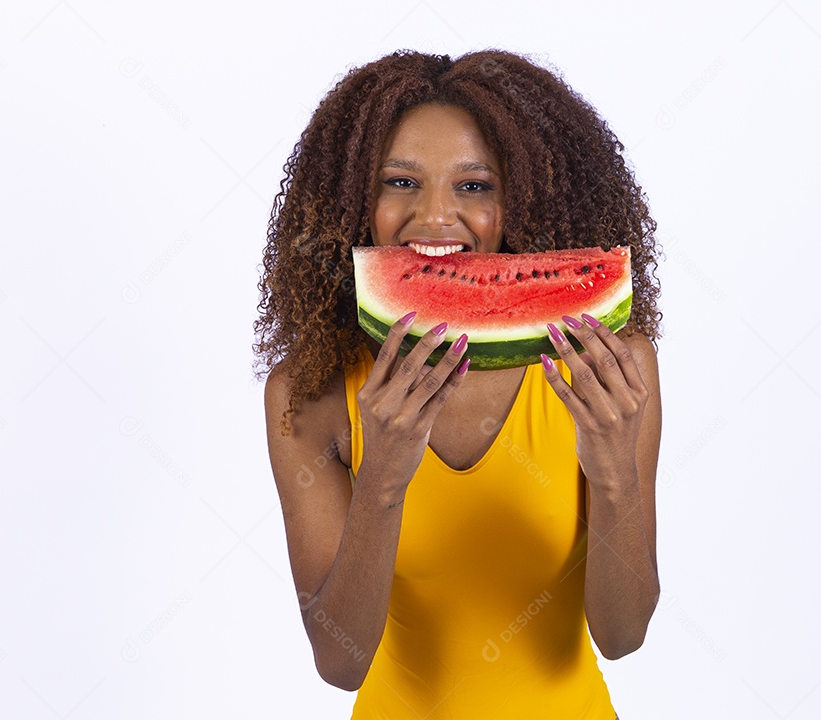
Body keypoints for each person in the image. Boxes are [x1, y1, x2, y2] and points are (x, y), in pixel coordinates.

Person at [256, 49, 663, 720]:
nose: (436, 217)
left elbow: (623, 636)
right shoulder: (311, 394)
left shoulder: (610, 370)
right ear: (354, 198)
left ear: (527, 196)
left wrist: (613, 470)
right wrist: (383, 475)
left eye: (475, 185)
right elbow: (340, 662)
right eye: (399, 182)